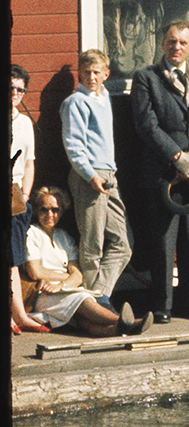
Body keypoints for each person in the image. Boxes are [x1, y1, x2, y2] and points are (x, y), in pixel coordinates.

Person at [130, 20, 189, 322]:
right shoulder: (146, 78)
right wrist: (177, 157)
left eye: (182, 42)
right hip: (162, 172)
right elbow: (146, 125)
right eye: (171, 41)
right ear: (162, 44)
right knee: (163, 242)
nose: (176, 47)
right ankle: (162, 305)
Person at [23, 186, 149, 336]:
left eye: (55, 210)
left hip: (63, 288)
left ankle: (119, 329)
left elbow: (78, 275)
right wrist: (65, 278)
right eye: (44, 210)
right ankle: (124, 321)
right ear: (37, 211)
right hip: (42, 293)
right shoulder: (32, 233)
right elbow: (35, 272)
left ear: (61, 212)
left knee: (84, 320)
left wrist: (63, 284)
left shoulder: (63, 237)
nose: (49, 214)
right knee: (82, 299)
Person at [60, 48, 132, 299]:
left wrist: (108, 173)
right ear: (79, 74)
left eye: (96, 72)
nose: (91, 77)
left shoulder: (104, 97)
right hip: (88, 177)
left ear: (106, 74)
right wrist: (91, 175)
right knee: (92, 245)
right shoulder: (74, 103)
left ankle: (98, 297)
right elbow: (74, 145)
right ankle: (90, 311)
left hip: (109, 174)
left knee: (122, 245)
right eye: (86, 72)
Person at [10, 64, 49, 334]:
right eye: (10, 87)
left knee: (12, 257)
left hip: (14, 194)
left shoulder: (24, 123)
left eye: (20, 89)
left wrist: (24, 195)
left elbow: (29, 163)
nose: (14, 93)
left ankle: (20, 315)